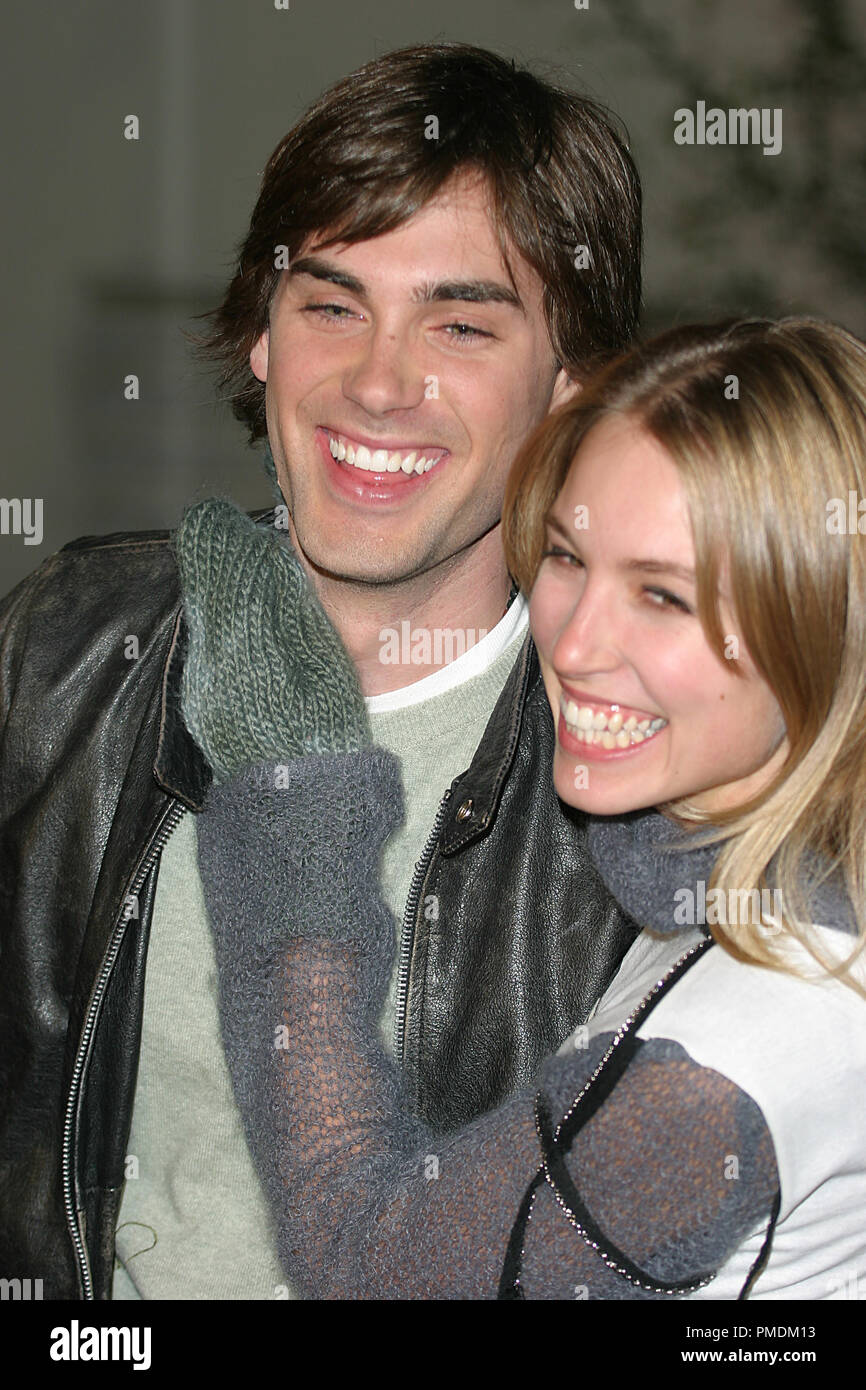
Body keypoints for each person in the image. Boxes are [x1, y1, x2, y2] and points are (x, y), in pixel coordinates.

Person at [0, 43, 643, 1298]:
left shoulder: (641, 774)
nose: (377, 382)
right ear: (261, 337)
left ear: (569, 388)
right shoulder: (65, 652)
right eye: (331, 305)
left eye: (459, 324)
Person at [185, 316, 866, 1299]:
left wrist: (295, 818)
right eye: (564, 556)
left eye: (662, 596)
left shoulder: (728, 1056)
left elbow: (367, 1275)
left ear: (821, 625)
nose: (576, 642)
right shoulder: (759, 892)